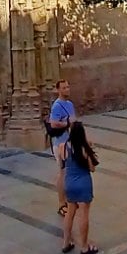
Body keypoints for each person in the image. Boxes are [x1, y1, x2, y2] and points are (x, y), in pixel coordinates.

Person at [60, 121, 99, 254]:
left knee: (69, 213)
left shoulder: (63, 147)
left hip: (69, 183)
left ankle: (66, 242)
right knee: (84, 214)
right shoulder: (84, 148)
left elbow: (62, 166)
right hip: (83, 183)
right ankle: (84, 246)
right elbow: (92, 169)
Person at [48, 79, 77, 215]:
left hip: (69, 142)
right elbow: (53, 123)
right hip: (59, 143)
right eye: (64, 88)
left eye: (68, 87)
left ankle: (69, 199)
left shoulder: (70, 104)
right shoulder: (57, 106)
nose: (67, 89)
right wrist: (66, 123)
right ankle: (61, 203)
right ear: (58, 90)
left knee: (70, 171)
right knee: (62, 173)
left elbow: (73, 122)